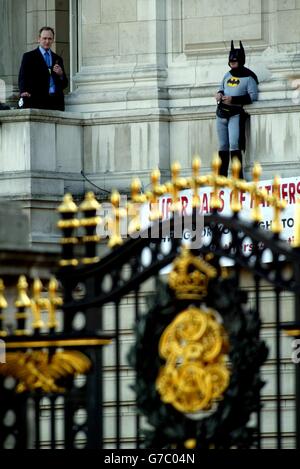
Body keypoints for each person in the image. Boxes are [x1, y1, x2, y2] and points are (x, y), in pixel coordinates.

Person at [215, 41, 258, 178]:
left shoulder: (249, 77)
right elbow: (222, 88)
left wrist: (234, 99)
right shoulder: (227, 75)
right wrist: (219, 94)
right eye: (231, 61)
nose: (232, 63)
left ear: (241, 60)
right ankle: (221, 178)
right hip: (221, 113)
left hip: (235, 114)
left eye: (235, 61)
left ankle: (237, 177)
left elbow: (253, 96)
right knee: (222, 146)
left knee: (234, 144)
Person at [18, 26, 68, 111]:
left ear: (53, 40)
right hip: (36, 101)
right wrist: (23, 91)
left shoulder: (58, 58)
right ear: (39, 39)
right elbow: (22, 77)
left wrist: (61, 74)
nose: (47, 41)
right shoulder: (29, 56)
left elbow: (64, 84)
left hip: (56, 103)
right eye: (44, 38)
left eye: (50, 39)